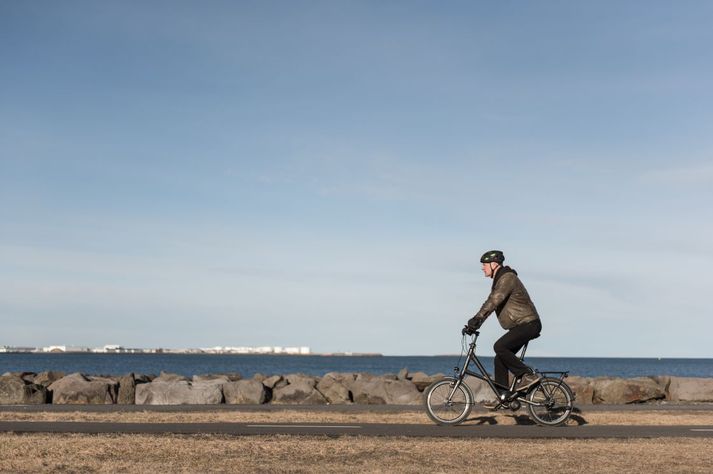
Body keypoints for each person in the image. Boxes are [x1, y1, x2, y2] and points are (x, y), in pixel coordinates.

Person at [464, 250, 542, 394]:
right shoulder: (500, 280)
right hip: (522, 325)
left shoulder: (507, 278)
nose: (482, 268)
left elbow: (494, 301)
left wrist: (476, 320)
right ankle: (504, 396)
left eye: (485, 265)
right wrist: (476, 322)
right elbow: (491, 302)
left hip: (528, 324)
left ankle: (527, 375)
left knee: (499, 346)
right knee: (500, 359)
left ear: (494, 264)